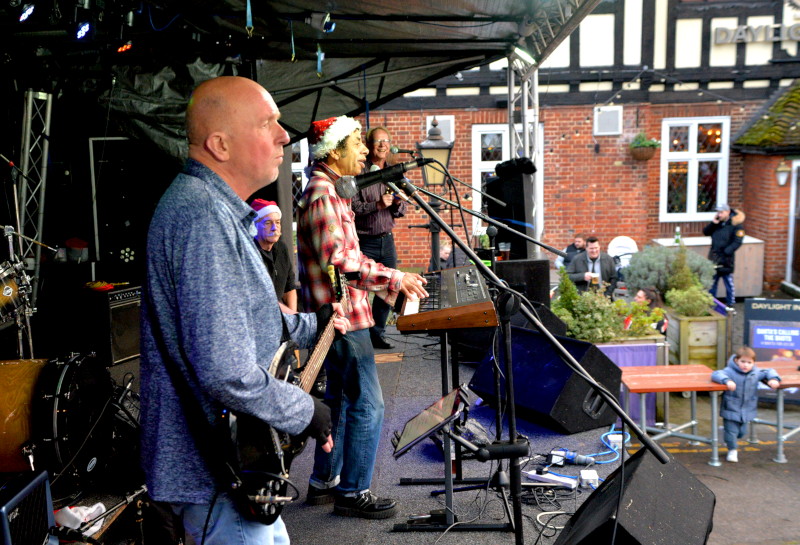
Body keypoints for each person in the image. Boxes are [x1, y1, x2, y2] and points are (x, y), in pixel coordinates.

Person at [140, 76, 348, 545]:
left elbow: (254, 322)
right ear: (219, 144)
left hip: (232, 473)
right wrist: (304, 411)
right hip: (217, 478)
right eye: (267, 123)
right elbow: (225, 370)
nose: (284, 135)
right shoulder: (201, 218)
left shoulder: (214, 210)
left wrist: (316, 325)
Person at [297, 115, 428, 519]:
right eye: (358, 142)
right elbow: (341, 261)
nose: (367, 150)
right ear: (334, 151)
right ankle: (353, 492)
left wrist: (393, 282)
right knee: (368, 405)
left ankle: (324, 483)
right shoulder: (323, 193)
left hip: (344, 314)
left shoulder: (332, 189)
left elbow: (348, 260)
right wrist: (395, 278)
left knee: (338, 400)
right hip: (341, 318)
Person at [350, 126, 407, 350]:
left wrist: (397, 204)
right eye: (377, 141)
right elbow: (353, 208)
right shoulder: (358, 174)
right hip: (365, 241)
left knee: (390, 287)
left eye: (386, 141)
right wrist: (378, 205)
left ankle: (378, 333)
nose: (382, 145)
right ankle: (360, 335)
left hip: (387, 239)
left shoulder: (395, 173)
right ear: (369, 144)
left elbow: (401, 213)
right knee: (360, 289)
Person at [711, 346, 780, 463]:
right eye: (743, 361)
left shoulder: (755, 373)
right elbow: (716, 374)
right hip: (731, 408)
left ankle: (728, 437)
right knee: (732, 432)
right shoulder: (729, 371)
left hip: (747, 410)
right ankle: (732, 449)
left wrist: (773, 379)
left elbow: (769, 371)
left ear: (753, 363)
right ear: (736, 360)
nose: (745, 365)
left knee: (742, 432)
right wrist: (727, 381)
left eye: (749, 362)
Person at [251, 199, 297, 310]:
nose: (274, 228)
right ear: (255, 225)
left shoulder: (281, 248)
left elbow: (289, 287)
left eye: (277, 222)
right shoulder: (250, 252)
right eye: (268, 223)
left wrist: (293, 319)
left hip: (283, 314)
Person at [703, 203, 746, 307]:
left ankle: (730, 303)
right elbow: (706, 232)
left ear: (728, 212)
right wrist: (713, 223)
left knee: (728, 282)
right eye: (718, 212)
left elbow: (737, 241)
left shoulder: (736, 225)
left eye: (721, 212)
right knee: (712, 282)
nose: (719, 214)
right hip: (714, 257)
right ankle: (710, 303)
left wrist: (727, 251)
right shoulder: (718, 223)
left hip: (726, 259)